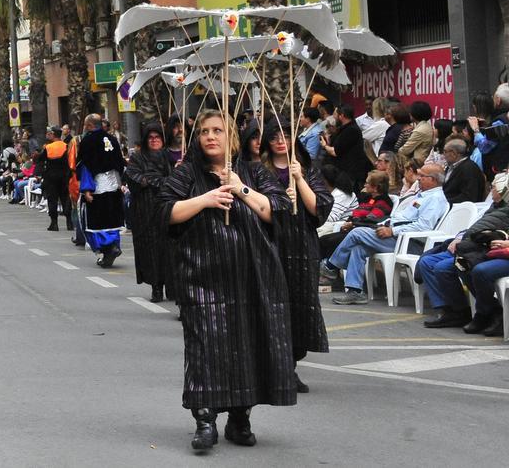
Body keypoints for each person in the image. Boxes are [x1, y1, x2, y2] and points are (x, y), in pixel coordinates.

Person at [159, 110, 296, 451]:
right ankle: (205, 421)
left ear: (231, 136)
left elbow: (276, 208)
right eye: (204, 131)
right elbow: (164, 212)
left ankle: (240, 418)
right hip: (203, 276)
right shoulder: (188, 173)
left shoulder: (251, 170)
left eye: (218, 130)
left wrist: (240, 188)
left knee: (248, 344)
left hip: (253, 277)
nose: (210, 136)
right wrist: (204, 199)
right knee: (206, 348)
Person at [259, 124, 331, 392]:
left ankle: (291, 364)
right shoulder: (258, 171)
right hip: (270, 244)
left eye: (285, 136)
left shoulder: (307, 171)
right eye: (275, 137)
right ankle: (276, 366)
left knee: (301, 307)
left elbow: (318, 208)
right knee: (272, 307)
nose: (280, 141)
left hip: (301, 246)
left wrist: (299, 181)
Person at [320, 162, 447, 304]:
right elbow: (398, 218)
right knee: (358, 248)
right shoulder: (422, 196)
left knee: (357, 233)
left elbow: (423, 226)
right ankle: (355, 291)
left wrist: (392, 230)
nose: (418, 178)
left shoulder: (435, 199)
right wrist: (383, 225)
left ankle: (330, 266)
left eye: (422, 176)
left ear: (433, 180)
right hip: (395, 236)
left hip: (408, 242)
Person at [419, 203, 509, 335]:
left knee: (480, 271)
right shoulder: (496, 207)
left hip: (503, 255)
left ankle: (485, 314)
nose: (493, 189)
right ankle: (465, 311)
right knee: (461, 263)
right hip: (490, 250)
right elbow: (478, 227)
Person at [126, 123, 173, 299]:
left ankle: (172, 287)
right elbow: (135, 178)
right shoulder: (138, 158)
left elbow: (174, 180)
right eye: (151, 138)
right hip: (144, 211)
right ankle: (156, 286)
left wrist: (154, 180)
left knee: (169, 249)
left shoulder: (169, 157)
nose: (154, 141)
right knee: (150, 250)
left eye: (157, 137)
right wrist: (156, 180)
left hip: (168, 209)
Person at [77, 113, 125, 257]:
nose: (85, 127)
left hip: (97, 186)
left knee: (99, 219)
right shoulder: (112, 139)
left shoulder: (88, 141)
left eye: (86, 125)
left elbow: (85, 165)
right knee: (112, 217)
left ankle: (107, 247)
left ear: (90, 126)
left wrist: (86, 189)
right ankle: (114, 245)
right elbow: (120, 163)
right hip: (115, 185)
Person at [321, 104, 371, 189]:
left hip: (350, 173)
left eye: (335, 114)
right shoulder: (343, 129)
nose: (333, 117)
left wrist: (325, 146)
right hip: (344, 171)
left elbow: (335, 152)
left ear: (342, 116)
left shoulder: (351, 130)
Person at [37, 126, 72, 231]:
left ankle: (54, 223)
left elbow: (40, 159)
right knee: (65, 198)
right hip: (64, 176)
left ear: (53, 134)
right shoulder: (66, 146)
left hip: (51, 176)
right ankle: (69, 222)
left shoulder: (48, 147)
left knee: (52, 199)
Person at [440, 138, 486, 203]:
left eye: (445, 152)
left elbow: (469, 197)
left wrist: (443, 202)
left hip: (457, 208)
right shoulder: (451, 166)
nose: (443, 155)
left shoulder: (469, 169)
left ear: (454, 153)